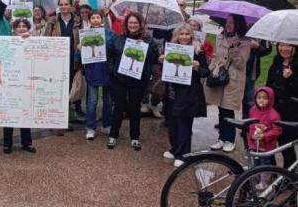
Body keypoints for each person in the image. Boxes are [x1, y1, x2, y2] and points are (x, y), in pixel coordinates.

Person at [107, 12, 159, 151]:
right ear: (126, 24)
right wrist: (113, 70)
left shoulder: (148, 40)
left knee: (134, 108)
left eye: (136, 23)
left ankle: (135, 137)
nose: (133, 25)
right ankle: (113, 135)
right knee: (118, 107)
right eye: (130, 23)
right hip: (119, 79)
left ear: (140, 24)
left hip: (138, 80)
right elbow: (110, 56)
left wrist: (145, 48)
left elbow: (155, 59)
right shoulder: (118, 39)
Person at [160, 23, 208, 167]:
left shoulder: (198, 50)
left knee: (184, 124)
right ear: (177, 35)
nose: (184, 37)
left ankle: (183, 154)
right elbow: (166, 71)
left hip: (189, 93)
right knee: (172, 122)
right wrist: (162, 61)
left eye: (187, 34)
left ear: (191, 35)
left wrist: (198, 67)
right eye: (181, 34)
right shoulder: (171, 49)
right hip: (172, 92)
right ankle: (175, 149)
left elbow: (206, 72)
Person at [205, 14, 251, 153]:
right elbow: (215, 55)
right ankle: (221, 138)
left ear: (238, 24)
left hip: (233, 79)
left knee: (228, 109)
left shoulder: (245, 42)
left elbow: (241, 64)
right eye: (227, 22)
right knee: (220, 108)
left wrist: (234, 47)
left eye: (231, 22)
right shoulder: (220, 36)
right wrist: (211, 69)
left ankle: (229, 140)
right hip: (219, 76)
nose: (228, 25)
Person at [45, 0, 83, 125]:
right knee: (59, 86)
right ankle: (59, 113)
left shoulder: (78, 21)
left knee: (75, 84)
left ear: (71, 6)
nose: (63, 7)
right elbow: (46, 39)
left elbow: (84, 37)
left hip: (74, 58)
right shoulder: (52, 21)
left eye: (66, 4)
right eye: (61, 4)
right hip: (58, 60)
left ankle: (77, 110)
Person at [78, 9, 114, 140]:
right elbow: (79, 56)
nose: (96, 20)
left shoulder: (110, 34)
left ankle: (106, 124)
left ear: (102, 19)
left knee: (108, 101)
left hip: (107, 70)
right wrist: (80, 49)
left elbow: (115, 50)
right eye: (93, 18)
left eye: (98, 18)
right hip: (92, 70)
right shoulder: (84, 35)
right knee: (92, 101)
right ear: (89, 20)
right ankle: (90, 127)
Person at [3, 18, 37, 154]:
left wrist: (33, 38)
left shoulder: (34, 41)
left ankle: (27, 142)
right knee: (10, 112)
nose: (21, 28)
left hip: (27, 80)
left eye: (24, 26)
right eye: (19, 26)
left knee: (25, 112)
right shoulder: (7, 42)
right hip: (11, 81)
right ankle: (7, 143)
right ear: (14, 29)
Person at [266, 42, 298, 168]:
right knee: (269, 144)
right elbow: (269, 85)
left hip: (291, 113)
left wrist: (291, 78)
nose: (283, 48)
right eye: (281, 45)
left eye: (288, 45)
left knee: (286, 146)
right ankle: (272, 172)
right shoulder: (276, 63)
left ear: (295, 47)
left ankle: (289, 177)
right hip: (274, 111)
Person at [247, 87, 282, 168]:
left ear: (271, 99)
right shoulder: (252, 110)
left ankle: (265, 180)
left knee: (265, 164)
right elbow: (251, 125)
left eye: (265, 98)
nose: (261, 100)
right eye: (259, 98)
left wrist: (265, 136)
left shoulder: (274, 114)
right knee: (256, 162)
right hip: (254, 144)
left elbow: (277, 130)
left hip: (266, 146)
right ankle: (257, 176)